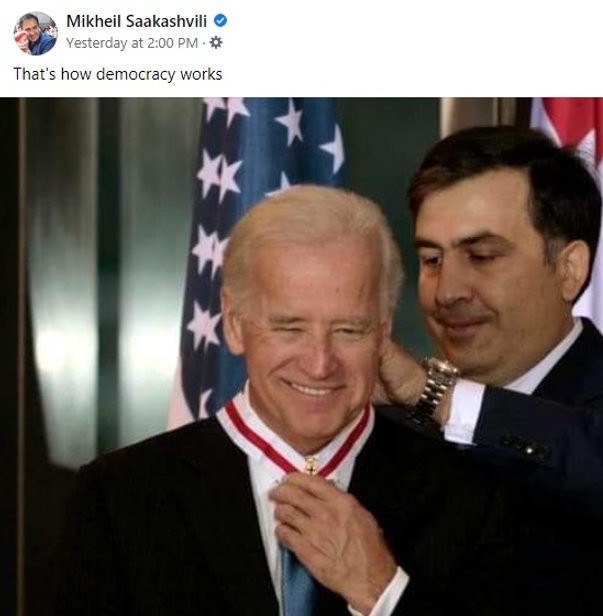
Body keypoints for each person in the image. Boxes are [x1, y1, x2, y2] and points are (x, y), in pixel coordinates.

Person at [51, 186, 513, 615]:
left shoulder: (467, 495)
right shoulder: (120, 498)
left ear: (383, 331)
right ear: (235, 324)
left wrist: (383, 592)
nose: (319, 363)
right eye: (290, 328)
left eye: (348, 330)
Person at [376, 126, 603, 616]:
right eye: (431, 259)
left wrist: (439, 396)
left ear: (569, 269)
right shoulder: (395, 428)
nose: (447, 291)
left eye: (482, 257)